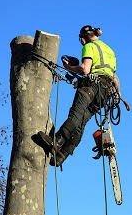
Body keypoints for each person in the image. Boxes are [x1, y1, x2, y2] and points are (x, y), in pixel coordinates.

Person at [39, 25, 118, 167]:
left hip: (91, 86)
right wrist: (117, 97)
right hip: (105, 93)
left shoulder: (89, 46)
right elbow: (115, 78)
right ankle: (63, 154)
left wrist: (69, 67)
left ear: (83, 38)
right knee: (81, 122)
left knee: (76, 116)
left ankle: (56, 141)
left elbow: (85, 69)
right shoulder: (110, 51)